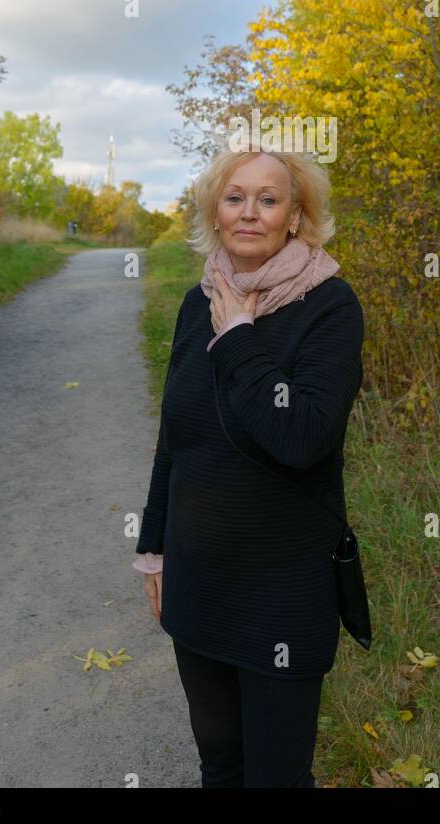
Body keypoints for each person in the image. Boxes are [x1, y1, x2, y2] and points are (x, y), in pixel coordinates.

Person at [133, 142, 364, 788]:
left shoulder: (329, 308)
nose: (249, 212)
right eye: (235, 198)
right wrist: (152, 550)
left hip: (281, 591)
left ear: (294, 216)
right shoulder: (194, 304)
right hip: (199, 581)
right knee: (220, 766)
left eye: (268, 199)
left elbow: (302, 437)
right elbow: (174, 439)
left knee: (275, 778)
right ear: (215, 210)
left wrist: (238, 339)